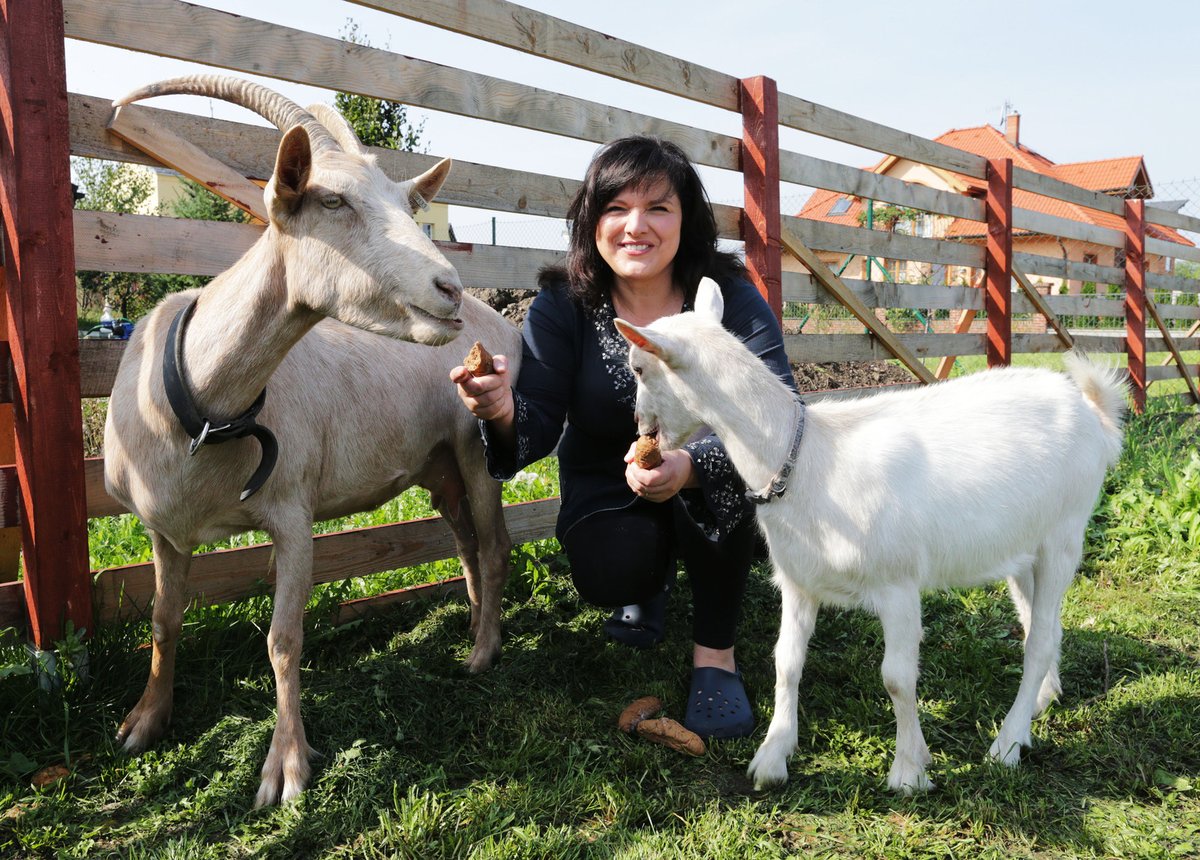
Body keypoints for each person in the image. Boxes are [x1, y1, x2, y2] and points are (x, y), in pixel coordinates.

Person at [450, 135, 800, 740]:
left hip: (714, 475)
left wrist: (690, 464)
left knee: (723, 490)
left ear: (686, 220)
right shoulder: (564, 305)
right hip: (607, 480)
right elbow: (535, 427)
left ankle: (716, 655)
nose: (636, 226)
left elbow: (779, 412)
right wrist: (503, 409)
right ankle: (649, 583)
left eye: (658, 208)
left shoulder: (727, 297)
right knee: (612, 569)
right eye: (616, 208)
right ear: (592, 221)